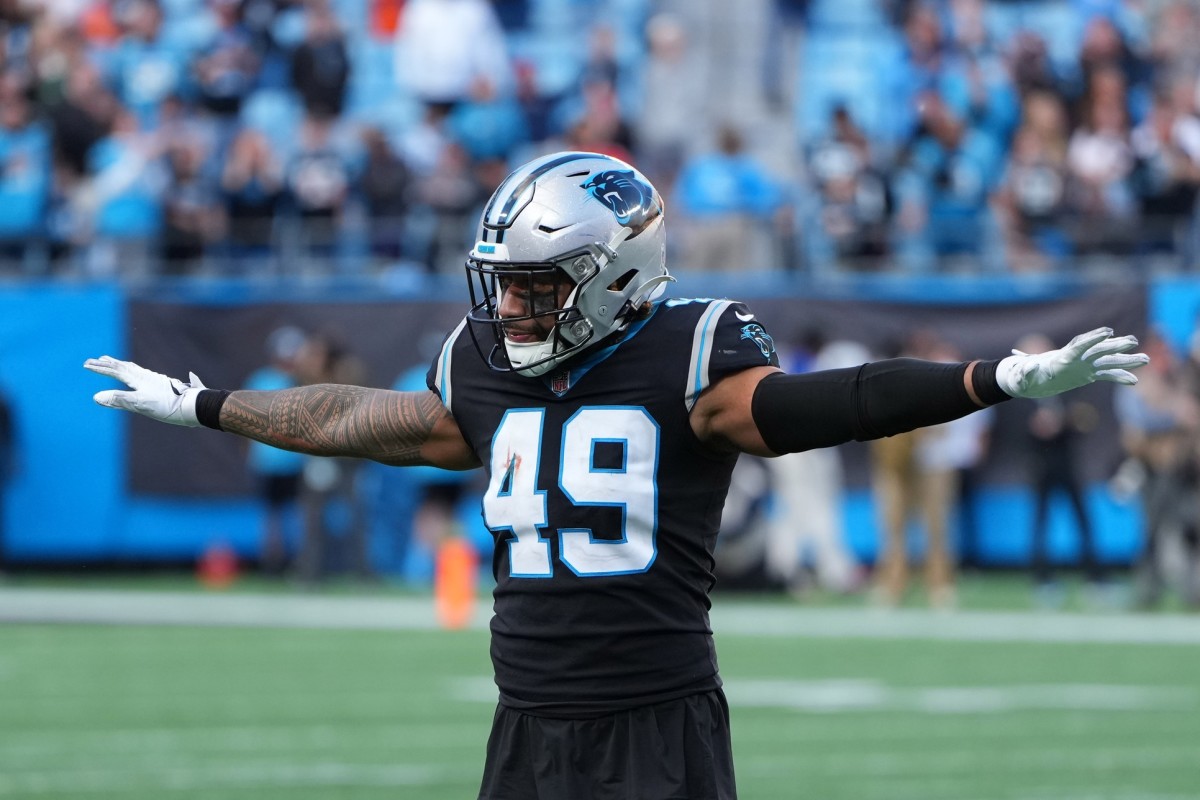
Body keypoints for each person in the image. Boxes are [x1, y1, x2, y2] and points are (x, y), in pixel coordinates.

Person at [85, 151, 1149, 800]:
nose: (508, 311)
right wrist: (204, 402)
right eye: (501, 288)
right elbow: (358, 417)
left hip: (654, 723)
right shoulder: (483, 368)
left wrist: (994, 375)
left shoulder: (692, 352)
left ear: (616, 275)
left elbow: (829, 403)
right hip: (525, 719)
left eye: (535, 289)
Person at [242, 325, 308, 576]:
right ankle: (276, 562)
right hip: (275, 460)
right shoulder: (269, 381)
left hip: (288, 460)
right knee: (275, 517)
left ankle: (288, 562)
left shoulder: (294, 382)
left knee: (285, 516)